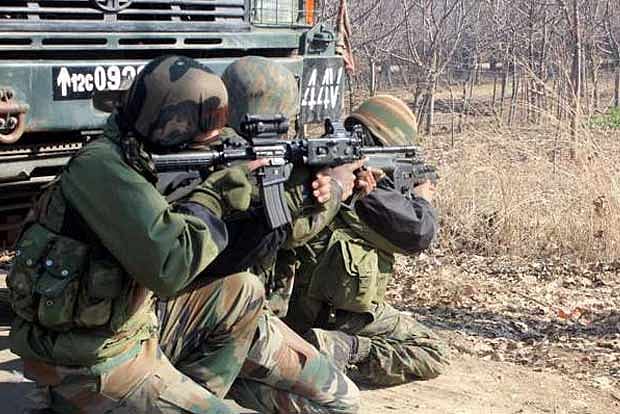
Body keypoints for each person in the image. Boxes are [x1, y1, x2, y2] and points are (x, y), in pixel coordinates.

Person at [7, 55, 267, 413]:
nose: (213, 136)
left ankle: (185, 395)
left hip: (128, 333)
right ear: (167, 123)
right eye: (205, 124)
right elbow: (172, 267)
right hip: (87, 368)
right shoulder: (102, 167)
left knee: (242, 290)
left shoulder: (136, 151)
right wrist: (214, 197)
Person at [214, 56, 364, 413]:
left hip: (211, 312)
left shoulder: (206, 148)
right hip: (232, 313)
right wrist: (337, 188)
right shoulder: (244, 162)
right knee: (341, 399)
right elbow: (292, 231)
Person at [283, 95, 450, 387]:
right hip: (335, 315)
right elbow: (420, 233)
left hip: (291, 309)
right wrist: (422, 197)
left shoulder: (322, 173)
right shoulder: (361, 187)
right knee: (432, 351)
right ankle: (343, 348)